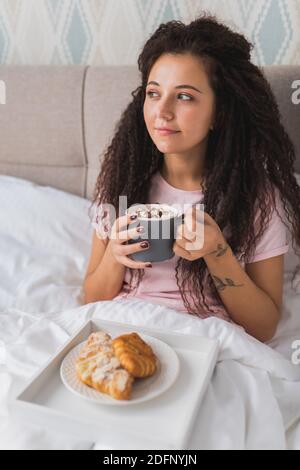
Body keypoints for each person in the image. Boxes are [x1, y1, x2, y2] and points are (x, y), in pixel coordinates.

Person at [83, 14, 300, 342]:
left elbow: (264, 328)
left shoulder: (257, 197)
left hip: (206, 339)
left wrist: (218, 254)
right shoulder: (121, 179)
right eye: (154, 93)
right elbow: (91, 298)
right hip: (124, 328)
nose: (162, 111)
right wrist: (115, 254)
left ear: (220, 112)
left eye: (184, 96)